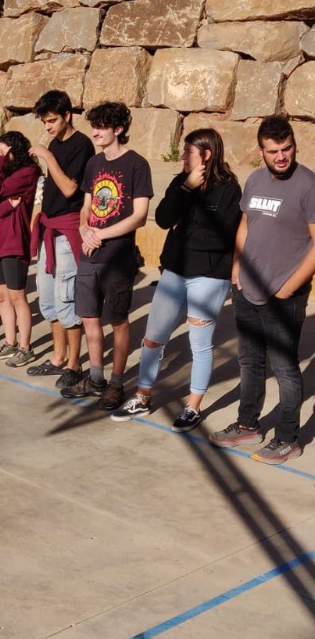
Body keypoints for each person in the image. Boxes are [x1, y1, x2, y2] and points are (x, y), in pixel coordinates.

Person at [111, 129, 241, 429]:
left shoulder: (229, 189)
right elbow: (163, 219)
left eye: (188, 152)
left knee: (200, 344)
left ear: (206, 155)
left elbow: (221, 237)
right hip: (174, 271)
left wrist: (184, 230)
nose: (182, 156)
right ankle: (143, 397)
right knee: (152, 338)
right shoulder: (180, 183)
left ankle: (193, 407)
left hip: (209, 275)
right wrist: (186, 189)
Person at [210, 116, 315, 463]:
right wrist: (236, 267)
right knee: (249, 361)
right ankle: (247, 425)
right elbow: (245, 225)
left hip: (283, 298)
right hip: (247, 290)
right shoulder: (254, 180)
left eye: (287, 149)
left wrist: (288, 288)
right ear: (261, 151)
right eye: (273, 151)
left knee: (285, 369)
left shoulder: (308, 185)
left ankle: (288, 438)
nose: (281, 156)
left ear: (294, 146)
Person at [61, 102, 152, 410]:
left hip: (117, 258)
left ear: (118, 129)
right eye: (94, 126)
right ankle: (96, 378)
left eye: (101, 126)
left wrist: (100, 234)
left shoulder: (137, 165)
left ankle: (116, 383)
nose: (95, 132)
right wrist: (85, 228)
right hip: (89, 254)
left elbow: (139, 216)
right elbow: (86, 205)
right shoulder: (94, 163)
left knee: (118, 321)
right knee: (89, 318)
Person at [26, 90, 96, 390]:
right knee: (48, 299)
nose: (48, 127)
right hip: (49, 230)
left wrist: (48, 157)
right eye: (45, 122)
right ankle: (58, 357)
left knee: (66, 300)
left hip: (68, 233)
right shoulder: (55, 143)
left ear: (67, 115)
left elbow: (69, 189)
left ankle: (74, 365)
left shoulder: (82, 145)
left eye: (52, 120)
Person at [0, 132, 41, 367]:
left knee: (17, 297)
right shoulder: (0, 172)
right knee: (1, 296)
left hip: (14, 241)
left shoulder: (28, 172)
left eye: (2, 150)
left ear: (14, 150)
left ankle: (26, 347)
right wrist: (7, 206)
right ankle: (10, 342)